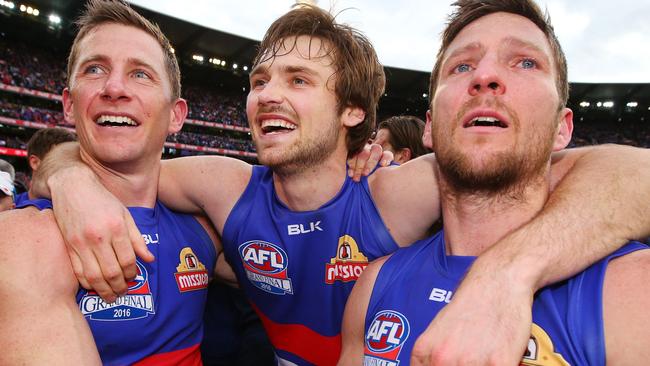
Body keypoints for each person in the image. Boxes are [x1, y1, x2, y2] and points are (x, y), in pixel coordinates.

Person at [35, 3, 650, 365]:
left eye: (299, 80)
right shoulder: (224, 187)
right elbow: (116, 158)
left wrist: (507, 271)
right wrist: (71, 180)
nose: (268, 95)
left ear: (353, 112)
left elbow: (625, 172)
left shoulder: (397, 194)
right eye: (259, 80)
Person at [339, 1, 650, 365]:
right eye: (462, 66)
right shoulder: (373, 286)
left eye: (525, 62)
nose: (484, 77)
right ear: (430, 127)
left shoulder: (633, 292)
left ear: (561, 128)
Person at [0, 0, 221, 364]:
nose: (114, 87)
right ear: (69, 105)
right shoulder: (21, 241)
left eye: (140, 74)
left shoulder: (207, 230)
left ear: (176, 115)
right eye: (95, 69)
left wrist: (352, 147)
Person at [13, 127, 77, 205]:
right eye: (62, 162)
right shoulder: (7, 207)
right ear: (35, 162)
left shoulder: (83, 212)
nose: (69, 171)